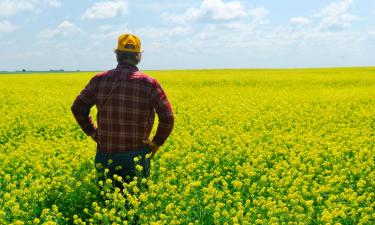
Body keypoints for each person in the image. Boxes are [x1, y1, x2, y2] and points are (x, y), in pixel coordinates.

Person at [71, 34, 174, 189]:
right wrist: (156, 142)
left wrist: (93, 132)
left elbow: (78, 107)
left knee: (107, 201)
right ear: (138, 56)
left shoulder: (99, 80)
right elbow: (168, 117)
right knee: (135, 205)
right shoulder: (148, 83)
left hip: (105, 154)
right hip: (136, 155)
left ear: (117, 54)